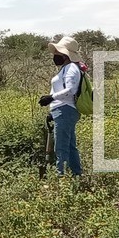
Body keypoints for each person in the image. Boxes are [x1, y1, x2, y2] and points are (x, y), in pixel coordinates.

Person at [38, 36, 84, 177]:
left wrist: (52, 98)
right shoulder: (66, 68)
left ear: (65, 55)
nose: (55, 56)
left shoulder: (71, 68)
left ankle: (60, 177)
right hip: (62, 110)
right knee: (69, 146)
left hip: (66, 110)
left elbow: (70, 90)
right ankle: (76, 174)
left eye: (58, 53)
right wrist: (53, 109)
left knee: (61, 147)